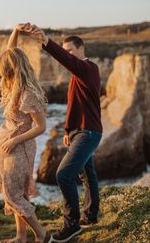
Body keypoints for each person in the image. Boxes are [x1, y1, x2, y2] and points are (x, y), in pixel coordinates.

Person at [21, 23, 103, 243]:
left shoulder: (88, 69)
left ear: (81, 49)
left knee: (63, 175)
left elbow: (65, 60)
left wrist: (46, 41)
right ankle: (91, 216)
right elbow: (73, 105)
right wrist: (68, 130)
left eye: (71, 51)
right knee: (88, 175)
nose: (68, 55)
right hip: (80, 131)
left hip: (89, 132)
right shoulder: (78, 75)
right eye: (66, 51)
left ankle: (72, 225)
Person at [0, 24, 51, 243]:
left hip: (21, 147)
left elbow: (41, 127)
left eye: (3, 70)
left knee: (13, 194)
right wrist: (16, 31)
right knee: (17, 191)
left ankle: (42, 235)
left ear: (12, 69)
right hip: (12, 144)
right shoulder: (15, 84)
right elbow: (12, 50)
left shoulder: (27, 94)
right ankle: (21, 236)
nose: (1, 74)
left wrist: (16, 139)